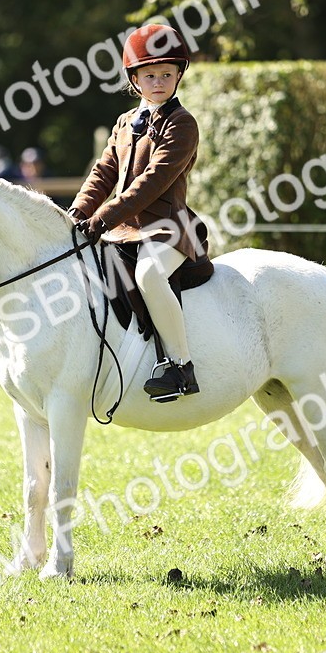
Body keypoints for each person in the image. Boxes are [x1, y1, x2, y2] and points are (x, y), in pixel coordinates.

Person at [69, 24, 205, 401]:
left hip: (168, 229)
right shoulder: (125, 123)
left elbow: (151, 183)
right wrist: (77, 212)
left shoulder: (182, 124)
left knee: (148, 275)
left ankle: (181, 366)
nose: (158, 82)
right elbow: (104, 172)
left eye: (166, 74)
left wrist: (101, 219)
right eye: (150, 76)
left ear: (178, 76)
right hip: (123, 230)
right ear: (135, 80)